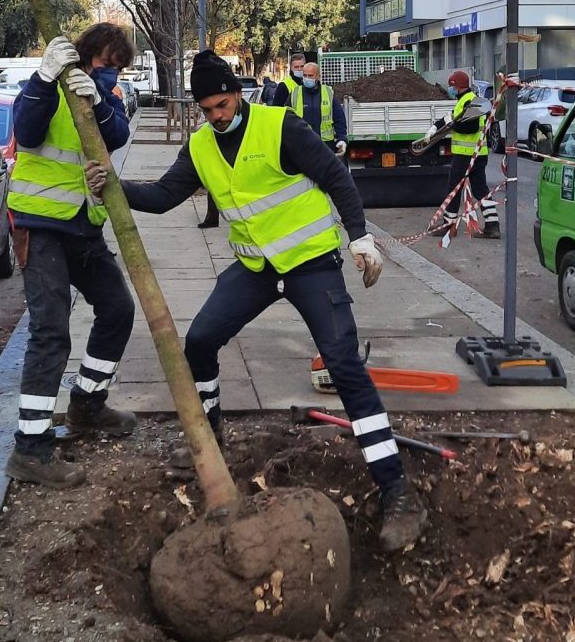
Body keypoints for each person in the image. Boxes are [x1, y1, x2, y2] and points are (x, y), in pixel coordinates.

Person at [89, 50, 427, 552]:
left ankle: (396, 489)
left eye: (221, 105)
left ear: (238, 95)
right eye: (206, 109)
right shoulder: (202, 146)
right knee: (199, 341)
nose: (215, 116)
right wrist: (115, 188)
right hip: (256, 271)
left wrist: (360, 237)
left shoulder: (279, 126)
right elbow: (164, 195)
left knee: (344, 366)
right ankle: (212, 438)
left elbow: (336, 177)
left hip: (311, 266)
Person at [4, 24, 137, 489]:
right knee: (50, 331)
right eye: (105, 64)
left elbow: (117, 135)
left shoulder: (105, 97)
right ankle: (31, 449)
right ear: (84, 56)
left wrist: (100, 100)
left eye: (117, 68)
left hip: (83, 225)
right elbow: (27, 131)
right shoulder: (45, 89)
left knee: (118, 309)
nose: (110, 73)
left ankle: (87, 406)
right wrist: (44, 79)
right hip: (40, 226)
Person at [435, 70, 499, 239]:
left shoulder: (468, 101)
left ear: (458, 86)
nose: (450, 88)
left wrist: (451, 125)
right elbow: (456, 119)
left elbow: (467, 127)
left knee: (453, 189)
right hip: (478, 154)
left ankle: (449, 227)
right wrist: (439, 125)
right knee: (481, 190)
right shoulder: (469, 100)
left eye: (451, 86)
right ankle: (493, 225)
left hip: (466, 155)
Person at [292, 61, 348, 158]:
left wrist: (342, 138)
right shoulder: (295, 94)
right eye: (305, 75)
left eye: (310, 76)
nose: (307, 78)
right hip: (302, 145)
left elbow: (339, 118)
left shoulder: (328, 93)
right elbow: (286, 120)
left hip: (325, 145)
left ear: (318, 77)